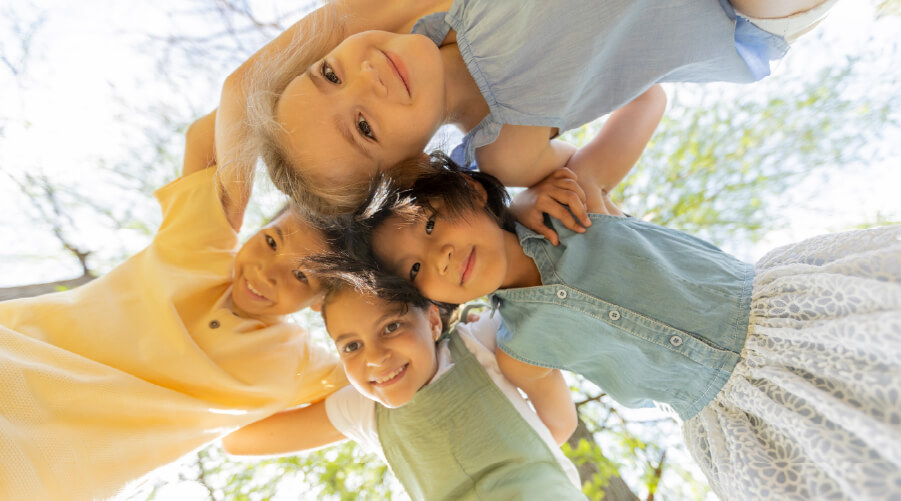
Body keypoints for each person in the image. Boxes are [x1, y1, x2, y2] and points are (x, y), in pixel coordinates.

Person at [347, 153, 901, 500]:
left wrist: (522, 196)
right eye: (415, 270)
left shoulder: (575, 203)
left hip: (797, 325)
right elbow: (554, 429)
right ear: (430, 301)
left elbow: (647, 98)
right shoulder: (521, 348)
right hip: (745, 420)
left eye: (431, 223)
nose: (438, 256)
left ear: (470, 191)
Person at [0, 111, 347, 501]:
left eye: (302, 276)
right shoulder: (197, 250)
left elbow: (372, 396)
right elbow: (212, 133)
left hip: (42, 477)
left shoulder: (296, 364)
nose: (268, 273)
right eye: (270, 241)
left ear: (321, 301)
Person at [216, 0, 839, 216]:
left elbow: (240, 87)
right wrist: (587, 178)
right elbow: (647, 96)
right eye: (363, 126)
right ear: (407, 169)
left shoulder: (435, 7)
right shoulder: (507, 147)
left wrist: (219, 193)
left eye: (329, 72)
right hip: (736, 15)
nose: (365, 79)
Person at [223, 276, 587, 500]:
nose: (376, 358)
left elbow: (558, 422)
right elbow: (237, 440)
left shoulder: (480, 339)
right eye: (351, 346)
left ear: (431, 320)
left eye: (391, 327)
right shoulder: (361, 408)